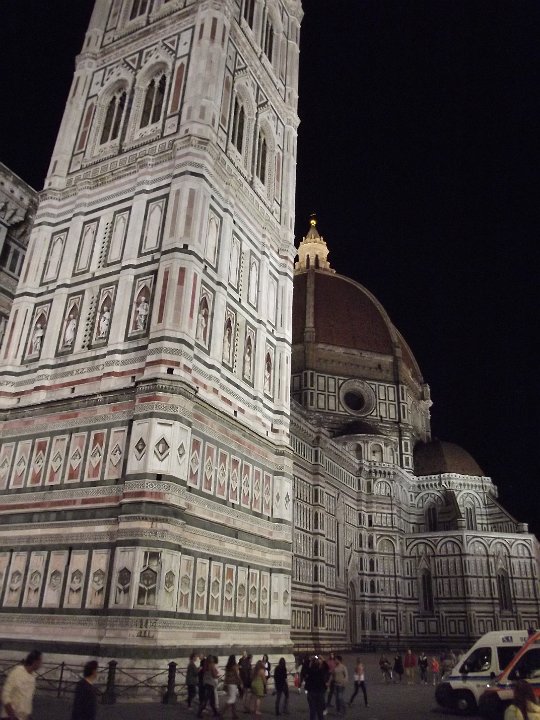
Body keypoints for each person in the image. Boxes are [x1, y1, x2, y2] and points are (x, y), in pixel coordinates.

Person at [1, 649, 42, 720]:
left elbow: (27, 699)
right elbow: (5, 694)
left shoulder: (33, 677)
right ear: (35, 662)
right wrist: (12, 716)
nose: (41, 664)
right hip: (10, 716)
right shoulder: (17, 672)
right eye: (40, 661)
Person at [305, 656, 329, 720]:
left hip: (311, 692)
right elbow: (327, 668)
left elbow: (305, 666)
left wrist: (310, 659)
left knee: (312, 711)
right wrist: (323, 660)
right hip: (320, 692)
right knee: (320, 711)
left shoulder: (309, 671)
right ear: (319, 665)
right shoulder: (321, 671)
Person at [222, 654, 240, 719]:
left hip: (228, 683)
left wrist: (225, 684)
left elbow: (226, 676)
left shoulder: (228, 666)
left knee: (233, 699)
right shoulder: (235, 666)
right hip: (233, 683)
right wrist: (240, 682)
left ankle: (234, 714)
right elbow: (237, 675)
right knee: (232, 699)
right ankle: (222, 713)